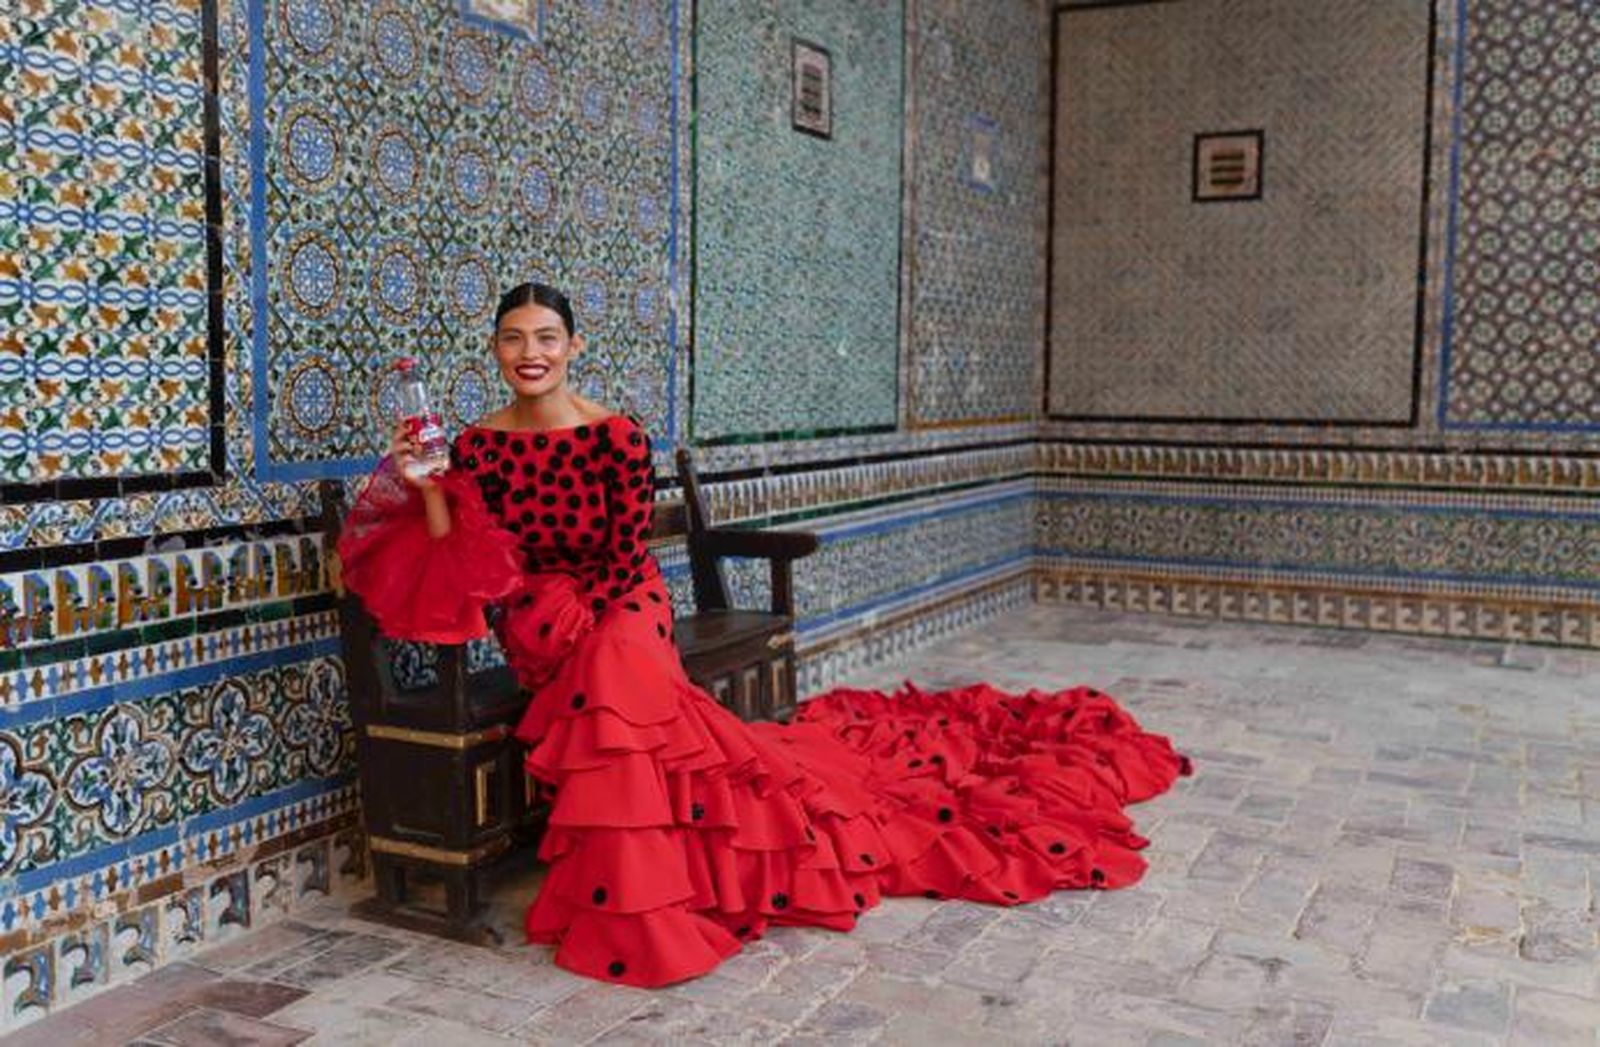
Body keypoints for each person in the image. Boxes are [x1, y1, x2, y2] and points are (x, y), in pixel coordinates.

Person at [336, 282, 1191, 987]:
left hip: (620, 594)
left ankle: (642, 900)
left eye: (548, 336)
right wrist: (428, 484)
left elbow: (624, 547)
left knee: (614, 674)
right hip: (544, 607)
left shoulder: (618, 434)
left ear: (575, 344)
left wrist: (594, 615)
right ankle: (635, 881)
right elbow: (466, 555)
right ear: (495, 348)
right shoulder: (479, 444)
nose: (531, 352)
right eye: (514, 338)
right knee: (605, 679)